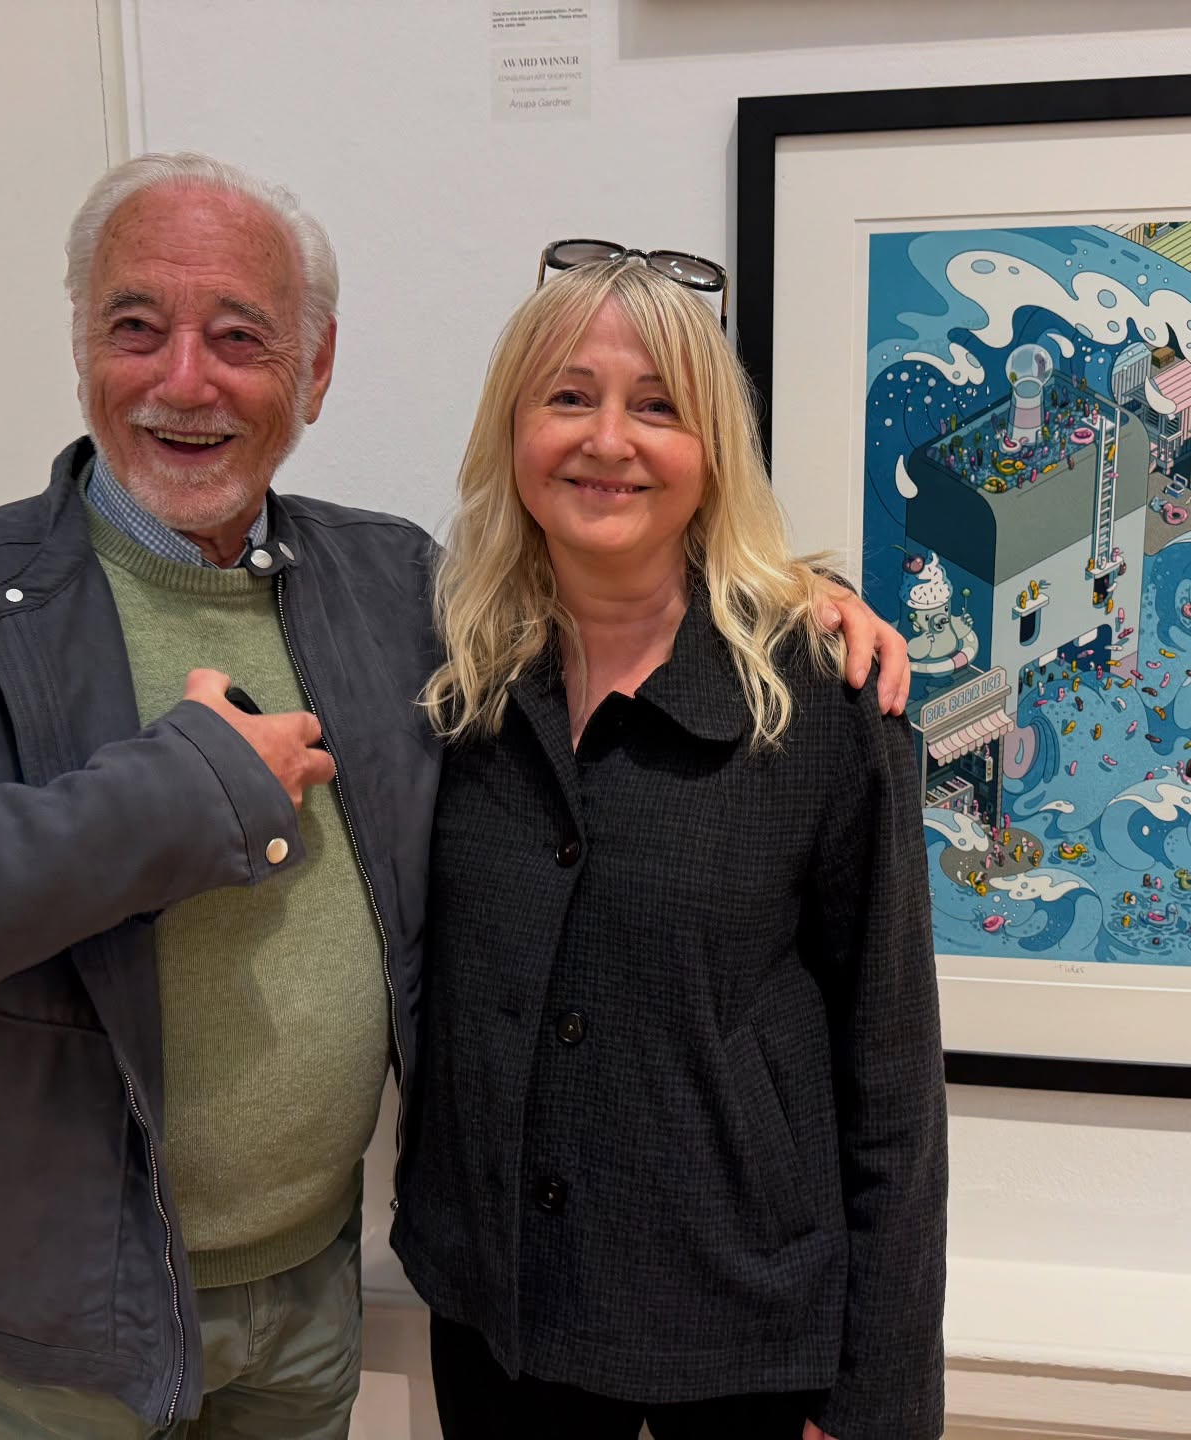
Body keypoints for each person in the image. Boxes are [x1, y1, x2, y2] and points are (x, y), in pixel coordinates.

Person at [0, 153, 906, 1437]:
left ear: (314, 373)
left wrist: (793, 597)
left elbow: (619, 576)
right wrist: (180, 798)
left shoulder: (396, 592)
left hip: (315, 1292)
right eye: (136, 328)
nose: (185, 380)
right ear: (80, 346)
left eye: (240, 337)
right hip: (59, 1323)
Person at [392, 257, 946, 1439]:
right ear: (512, 430)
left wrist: (879, 1399)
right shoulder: (450, 679)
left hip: (743, 1340)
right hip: (498, 1314)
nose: (609, 440)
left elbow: (892, 1074)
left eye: (657, 405)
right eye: (567, 397)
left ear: (713, 450)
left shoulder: (822, 702)